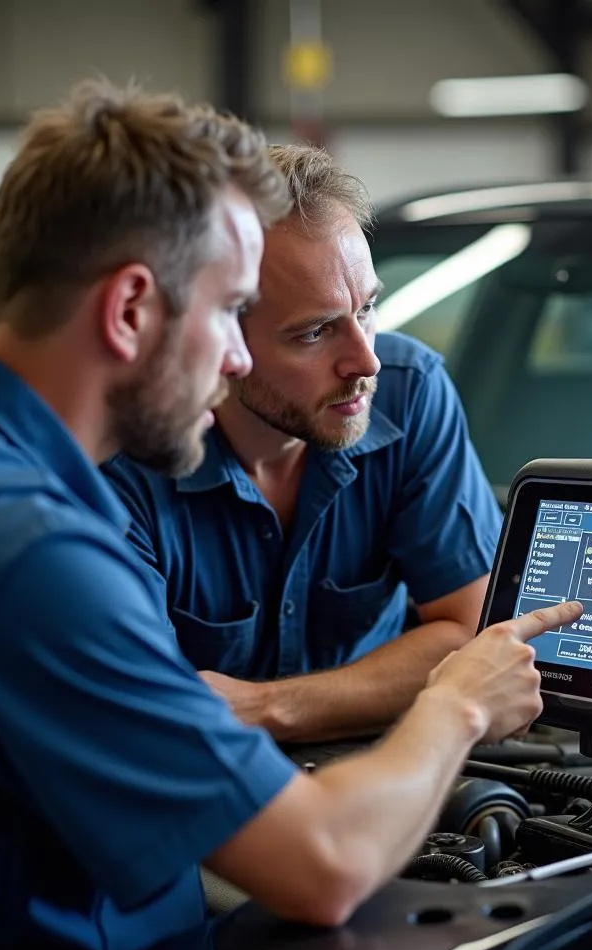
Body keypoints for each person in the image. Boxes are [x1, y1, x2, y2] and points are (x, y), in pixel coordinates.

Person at [0, 79, 582, 950]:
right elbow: (323, 867)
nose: (237, 363)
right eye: (227, 311)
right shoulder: (29, 556)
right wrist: (454, 706)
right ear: (129, 309)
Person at [103, 145, 504, 745]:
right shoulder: (123, 462)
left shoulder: (409, 393)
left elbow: (477, 638)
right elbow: (143, 713)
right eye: (314, 332)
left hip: (389, 780)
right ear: (219, 333)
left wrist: (270, 707)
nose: (365, 359)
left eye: (367, 308)